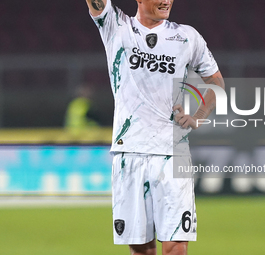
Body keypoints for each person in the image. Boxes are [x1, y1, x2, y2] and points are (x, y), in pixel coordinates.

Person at [85, 0, 224, 254]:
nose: (166, 1)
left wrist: (199, 115)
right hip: (130, 153)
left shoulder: (186, 37)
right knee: (141, 250)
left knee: (176, 248)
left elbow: (216, 81)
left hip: (173, 154)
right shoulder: (117, 26)